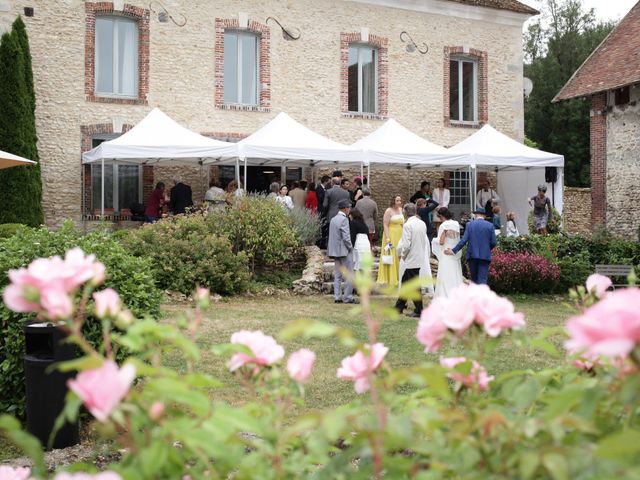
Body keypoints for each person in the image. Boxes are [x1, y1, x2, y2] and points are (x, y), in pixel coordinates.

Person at [446, 209, 497, 285]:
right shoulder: (490, 225)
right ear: (484, 216)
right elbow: (493, 242)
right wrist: (487, 249)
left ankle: (474, 295)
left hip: (472, 254)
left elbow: (464, 240)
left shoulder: (469, 224)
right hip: (485, 255)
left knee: (473, 278)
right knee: (482, 278)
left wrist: (454, 250)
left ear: (476, 215)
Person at [394, 203, 427, 318]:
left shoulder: (408, 225)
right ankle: (399, 307)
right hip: (419, 256)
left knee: (413, 285)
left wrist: (403, 255)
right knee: (406, 282)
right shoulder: (422, 223)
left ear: (405, 212)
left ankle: (419, 310)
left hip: (411, 258)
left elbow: (406, 244)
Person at [327, 199, 356, 304]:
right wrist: (350, 248)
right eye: (349, 207)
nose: (350, 209)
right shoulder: (344, 219)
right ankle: (348, 297)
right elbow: (346, 237)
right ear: (345, 208)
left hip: (335, 250)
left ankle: (337, 297)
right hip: (344, 250)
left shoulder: (333, 219)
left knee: (338, 275)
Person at [431, 207, 464, 298]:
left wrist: (433, 240)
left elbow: (441, 241)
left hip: (446, 252)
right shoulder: (456, 224)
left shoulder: (443, 225)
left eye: (440, 217)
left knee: (445, 274)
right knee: (455, 273)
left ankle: (446, 294)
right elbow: (456, 238)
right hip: (454, 252)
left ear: (442, 216)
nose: (440, 219)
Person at [376, 194, 404, 287]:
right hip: (391, 234)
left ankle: (399, 276)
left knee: (399, 254)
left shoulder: (401, 210)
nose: (399, 202)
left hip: (400, 233)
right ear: (393, 201)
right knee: (392, 254)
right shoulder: (389, 211)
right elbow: (385, 224)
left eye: (400, 200)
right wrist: (388, 238)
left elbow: (403, 223)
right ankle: (390, 278)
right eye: (397, 201)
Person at [316, 175, 332, 249]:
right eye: (329, 181)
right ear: (326, 181)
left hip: (326, 211)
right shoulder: (319, 188)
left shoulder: (326, 188)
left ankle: (324, 243)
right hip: (322, 210)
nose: (330, 183)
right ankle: (321, 244)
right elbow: (321, 199)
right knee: (322, 227)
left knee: (325, 227)